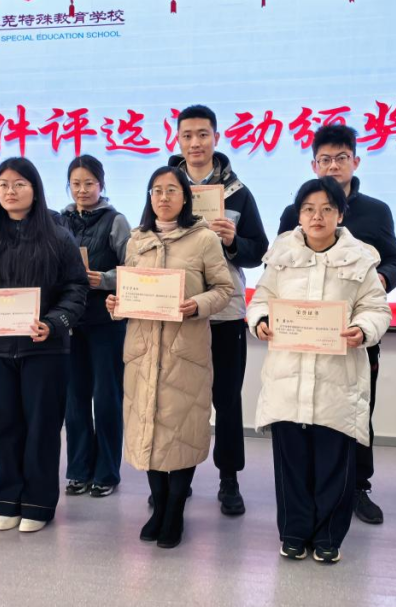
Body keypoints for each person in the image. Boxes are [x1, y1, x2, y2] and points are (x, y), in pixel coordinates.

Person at [248, 177, 391, 564]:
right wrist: (261, 321)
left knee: (334, 463)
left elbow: (377, 309)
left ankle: (328, 536)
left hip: (337, 376)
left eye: (327, 209)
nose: (317, 216)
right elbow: (261, 300)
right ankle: (293, 532)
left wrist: (363, 329)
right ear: (299, 215)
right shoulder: (280, 255)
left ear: (340, 215)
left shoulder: (361, 258)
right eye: (309, 209)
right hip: (288, 376)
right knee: (291, 462)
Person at [278, 124, 396, 525]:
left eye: (341, 158)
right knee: (304, 415)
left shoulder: (376, 211)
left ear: (356, 161)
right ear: (313, 164)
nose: (333, 166)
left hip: (353, 334)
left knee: (355, 410)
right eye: (325, 159)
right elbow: (277, 267)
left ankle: (357, 487)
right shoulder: (294, 212)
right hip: (304, 335)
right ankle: (313, 492)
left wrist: (380, 279)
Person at [0, 157, 88, 533]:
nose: (9, 192)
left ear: (35, 189)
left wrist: (54, 323)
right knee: (4, 427)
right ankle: (9, 502)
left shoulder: (58, 236)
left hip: (44, 349)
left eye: (18, 185)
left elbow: (76, 288)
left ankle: (39, 505)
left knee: (42, 428)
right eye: (3, 185)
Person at [106, 166, 233, 548]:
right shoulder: (137, 239)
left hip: (184, 351)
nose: (163, 197)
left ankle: (175, 511)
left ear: (185, 197)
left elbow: (224, 290)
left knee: (181, 431)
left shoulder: (204, 239)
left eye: (172, 190)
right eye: (156, 190)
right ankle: (158, 506)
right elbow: (130, 291)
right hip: (143, 351)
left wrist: (196, 305)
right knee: (148, 428)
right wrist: (117, 304)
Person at [169, 104, 269, 517]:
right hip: (178, 309)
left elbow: (258, 251)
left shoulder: (238, 192)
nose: (195, 143)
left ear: (216, 138)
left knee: (226, 400)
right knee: (179, 398)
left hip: (224, 312)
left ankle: (229, 480)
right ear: (177, 139)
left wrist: (232, 242)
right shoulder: (165, 187)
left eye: (202, 134)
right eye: (187, 135)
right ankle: (179, 476)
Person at [60, 155, 131, 498]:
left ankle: (107, 472)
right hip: (69, 323)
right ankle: (78, 470)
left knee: (106, 399)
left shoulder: (116, 221)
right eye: (76, 183)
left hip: (106, 321)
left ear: (101, 185)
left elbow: (134, 269)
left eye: (89, 183)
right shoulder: (59, 221)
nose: (83, 190)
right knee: (74, 400)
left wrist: (102, 279)